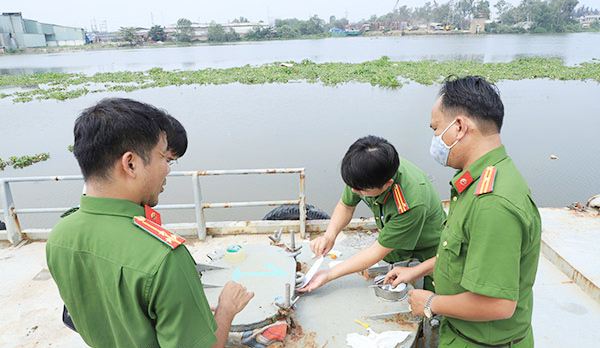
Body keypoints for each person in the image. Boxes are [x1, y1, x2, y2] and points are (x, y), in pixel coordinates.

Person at [47, 98, 253, 348]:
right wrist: (227, 310)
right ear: (131, 163)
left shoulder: (60, 236)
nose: (167, 169)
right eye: (163, 158)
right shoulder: (163, 258)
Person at [385, 76, 541, 347]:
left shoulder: (492, 202)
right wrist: (416, 271)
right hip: (462, 334)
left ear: (458, 127)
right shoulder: (479, 181)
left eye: (436, 129)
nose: (435, 138)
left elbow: (499, 305)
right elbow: (464, 253)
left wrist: (431, 302)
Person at [299, 135, 445, 292]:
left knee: (424, 297)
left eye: (361, 190)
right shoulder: (366, 170)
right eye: (352, 186)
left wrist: (328, 275)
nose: (355, 191)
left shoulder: (410, 203)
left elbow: (377, 251)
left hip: (426, 254)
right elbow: (346, 205)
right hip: (391, 243)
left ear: (387, 184)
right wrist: (329, 236)